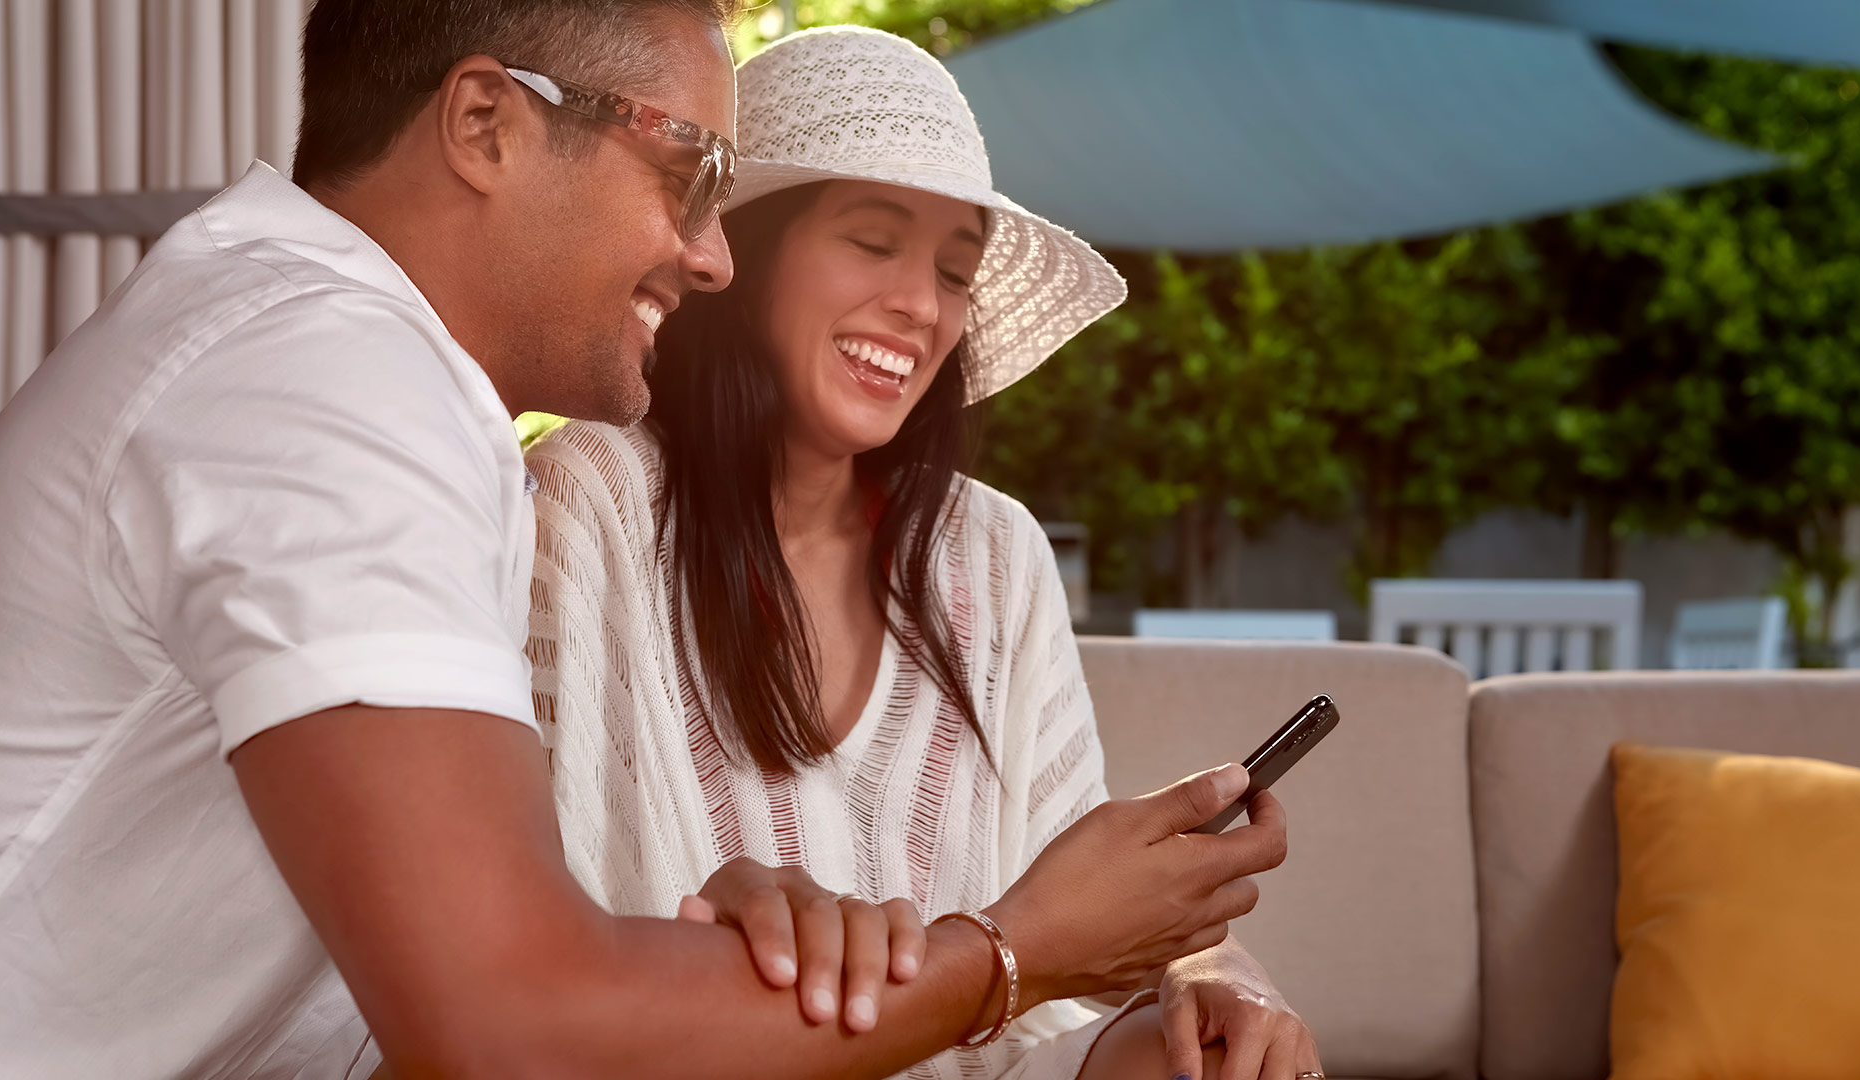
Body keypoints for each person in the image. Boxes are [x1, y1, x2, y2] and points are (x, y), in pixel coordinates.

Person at [0, 3, 1287, 1077]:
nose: (711, 255)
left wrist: (741, 957)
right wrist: (1012, 951)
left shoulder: (386, 394)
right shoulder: (325, 387)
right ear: (485, 124)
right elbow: (506, 1018)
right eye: (686, 174)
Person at [526, 26, 1323, 1080]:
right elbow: (543, 981)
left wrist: (1201, 987)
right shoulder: (588, 503)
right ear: (745, 252)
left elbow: (1057, 995)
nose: (922, 304)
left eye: (956, 270)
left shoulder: (995, 553)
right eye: (872, 240)